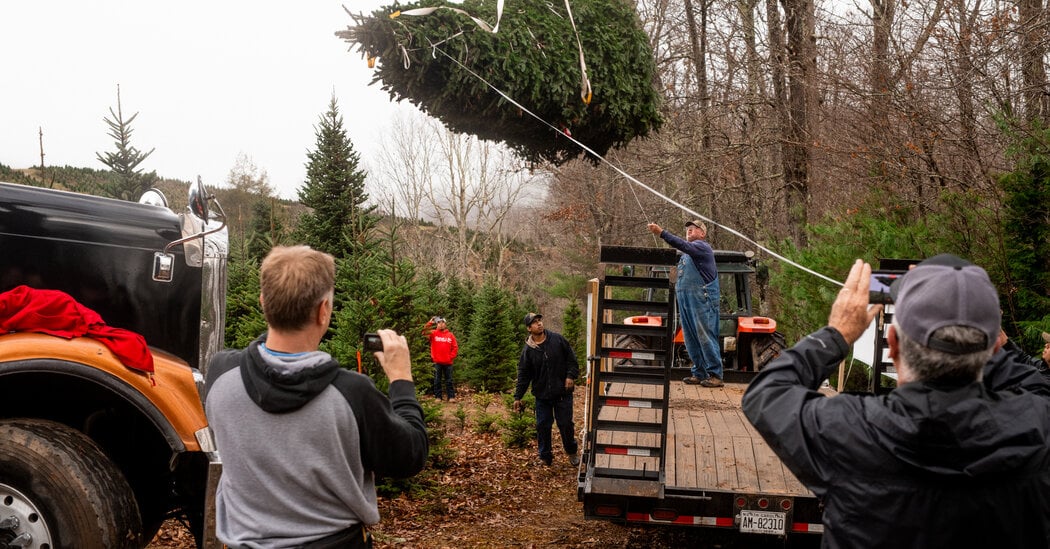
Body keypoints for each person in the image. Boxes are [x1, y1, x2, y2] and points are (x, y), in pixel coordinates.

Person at [742, 255, 1050, 548]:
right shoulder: (1037, 429)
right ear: (992, 347)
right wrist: (971, 327)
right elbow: (1037, 384)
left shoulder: (852, 431)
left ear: (893, 346)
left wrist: (838, 333)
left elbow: (767, 392)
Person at [205, 245, 428, 548]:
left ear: (262, 303)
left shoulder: (221, 373)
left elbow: (256, 363)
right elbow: (409, 456)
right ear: (323, 311)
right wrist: (401, 378)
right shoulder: (352, 393)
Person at [647, 220, 723, 386]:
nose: (689, 230)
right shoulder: (686, 256)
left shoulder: (702, 247)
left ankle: (715, 375)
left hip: (702, 300)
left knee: (705, 336)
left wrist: (661, 233)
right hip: (686, 301)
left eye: (694, 229)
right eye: (688, 229)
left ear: (702, 234)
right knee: (690, 337)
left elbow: (681, 244)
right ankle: (699, 372)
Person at [514, 312, 581, 467]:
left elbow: (572, 360)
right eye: (535, 322)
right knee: (542, 425)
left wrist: (570, 376)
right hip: (542, 395)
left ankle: (571, 452)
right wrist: (518, 396)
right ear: (529, 328)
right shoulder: (528, 350)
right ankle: (545, 457)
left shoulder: (557, 340)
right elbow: (524, 375)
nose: (539, 324)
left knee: (565, 424)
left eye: (540, 320)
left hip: (562, 392)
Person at [423, 315, 459, 401]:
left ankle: (451, 397)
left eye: (443, 322)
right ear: (437, 324)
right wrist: (430, 322)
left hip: (448, 362)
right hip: (437, 362)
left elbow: (455, 347)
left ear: (445, 324)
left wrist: (450, 357)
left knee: (449, 380)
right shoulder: (433, 333)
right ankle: (438, 397)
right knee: (437, 380)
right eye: (439, 322)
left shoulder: (450, 335)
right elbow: (424, 332)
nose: (441, 324)